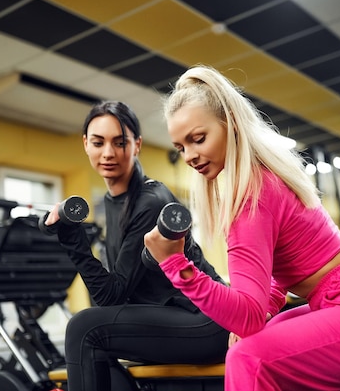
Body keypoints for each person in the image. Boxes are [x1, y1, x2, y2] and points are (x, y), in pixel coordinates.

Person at [143, 65, 340, 391]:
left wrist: (174, 264)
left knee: (248, 358)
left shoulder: (251, 196)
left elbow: (246, 316)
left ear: (231, 124)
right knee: (258, 341)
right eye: (180, 147)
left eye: (198, 139)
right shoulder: (264, 178)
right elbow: (272, 281)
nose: (189, 155)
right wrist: (266, 307)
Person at [43, 100, 229, 391]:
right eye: (98, 142)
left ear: (137, 144)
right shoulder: (115, 201)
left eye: (119, 142)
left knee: (83, 329)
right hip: (180, 315)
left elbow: (112, 295)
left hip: (206, 319)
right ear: (85, 144)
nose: (108, 153)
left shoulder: (149, 202)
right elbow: (118, 291)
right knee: (96, 345)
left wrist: (72, 240)